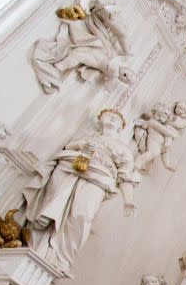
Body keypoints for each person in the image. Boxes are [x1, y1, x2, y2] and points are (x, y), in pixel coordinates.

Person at [21, 108, 138, 272]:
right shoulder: (86, 137)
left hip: (98, 178)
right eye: (108, 116)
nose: (111, 119)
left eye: (116, 119)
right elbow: (68, 147)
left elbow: (125, 176)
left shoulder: (122, 149)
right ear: (100, 121)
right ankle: (35, 241)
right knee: (51, 202)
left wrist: (129, 201)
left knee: (82, 215)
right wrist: (79, 145)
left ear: (121, 127)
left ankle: (62, 257)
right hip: (68, 170)